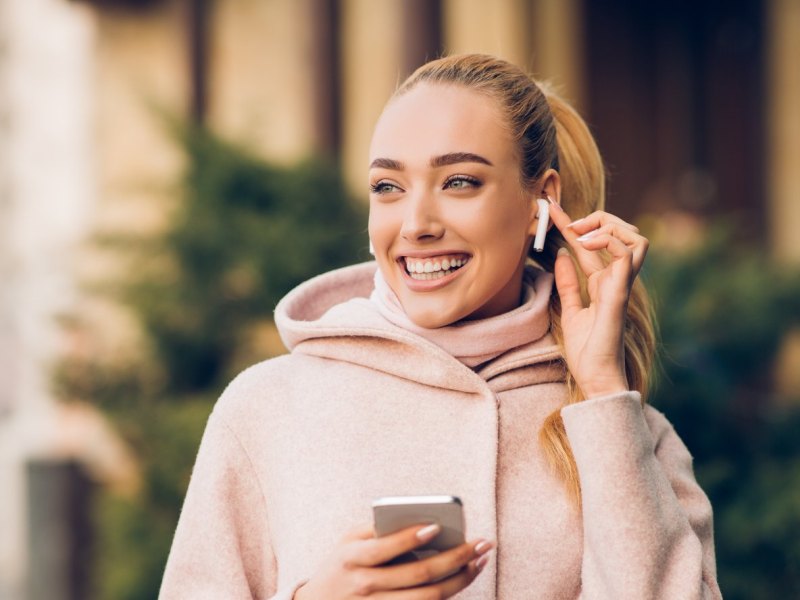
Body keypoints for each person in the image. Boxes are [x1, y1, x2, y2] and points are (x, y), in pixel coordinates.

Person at [159, 54, 721, 599]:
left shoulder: (632, 434)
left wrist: (601, 388)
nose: (417, 224)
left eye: (459, 182)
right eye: (388, 187)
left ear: (541, 201)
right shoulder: (266, 409)